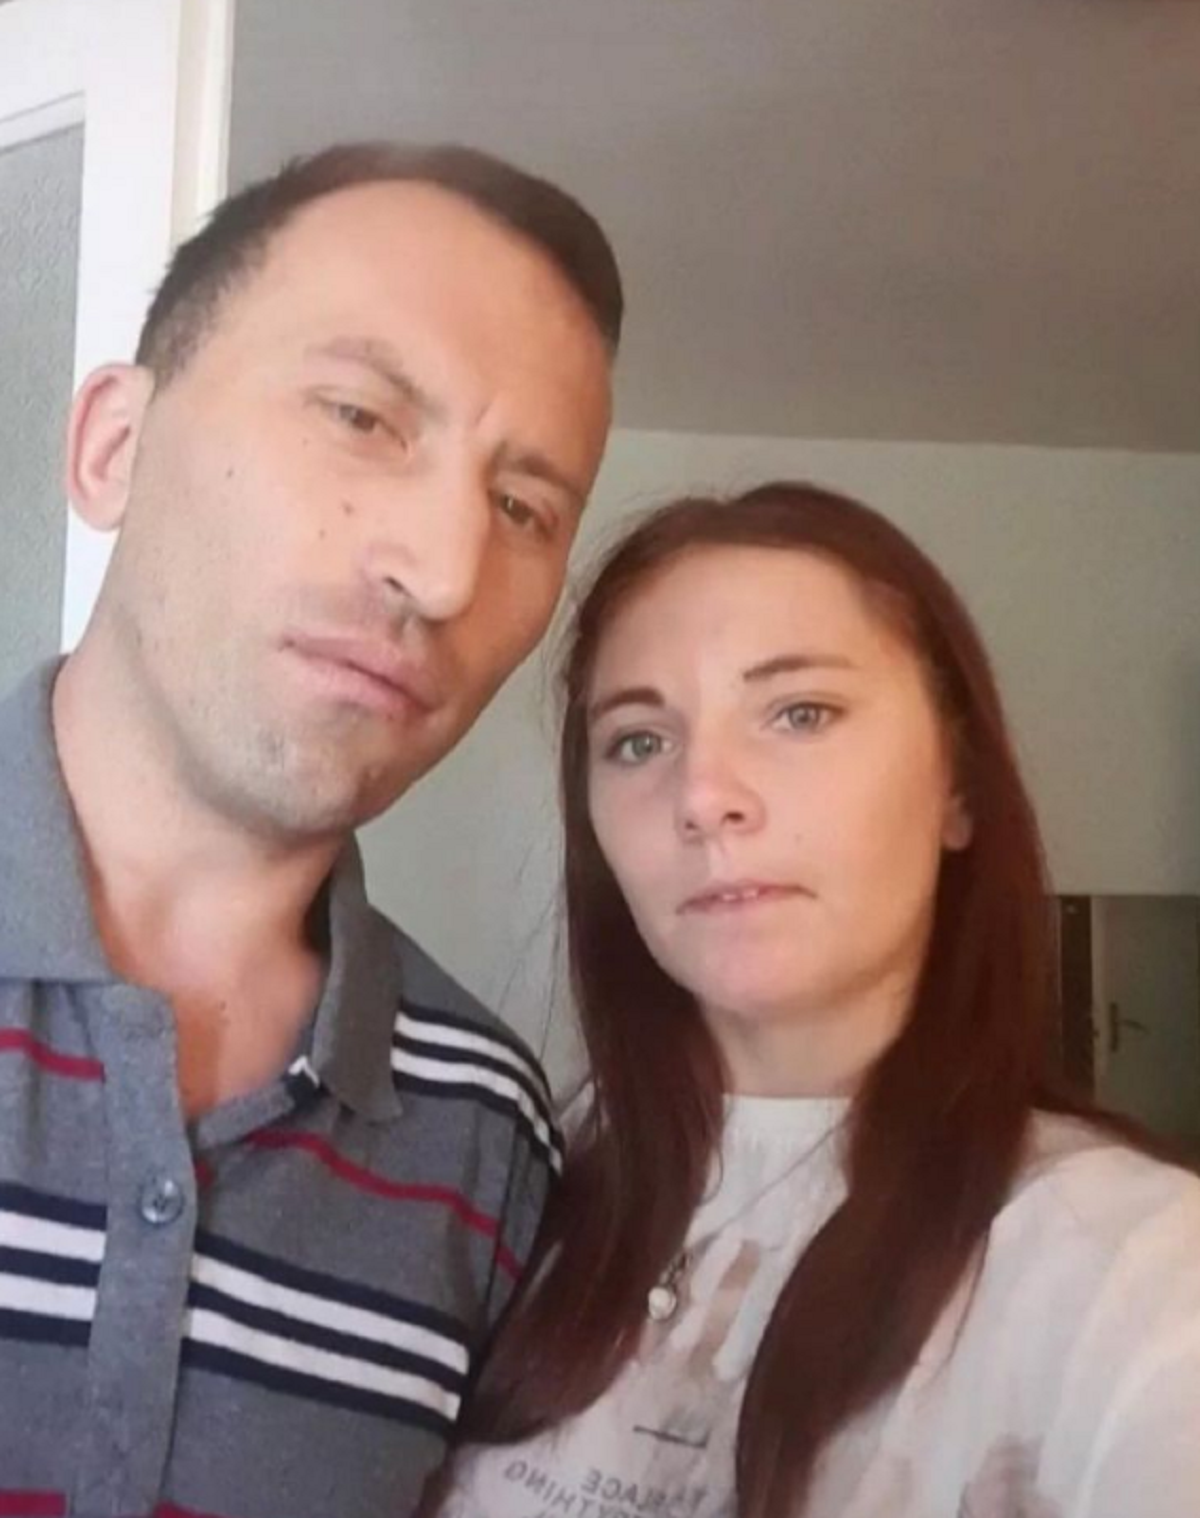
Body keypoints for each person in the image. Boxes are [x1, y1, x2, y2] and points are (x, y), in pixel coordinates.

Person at [0, 143, 618, 1517]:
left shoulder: (489, 1136)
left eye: (523, 507)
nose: (444, 572)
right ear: (113, 447)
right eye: (360, 416)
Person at [435, 482, 1200, 1518]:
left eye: (800, 713)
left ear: (959, 786)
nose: (704, 795)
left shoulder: (1131, 1268)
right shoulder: (503, 1179)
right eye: (639, 740)